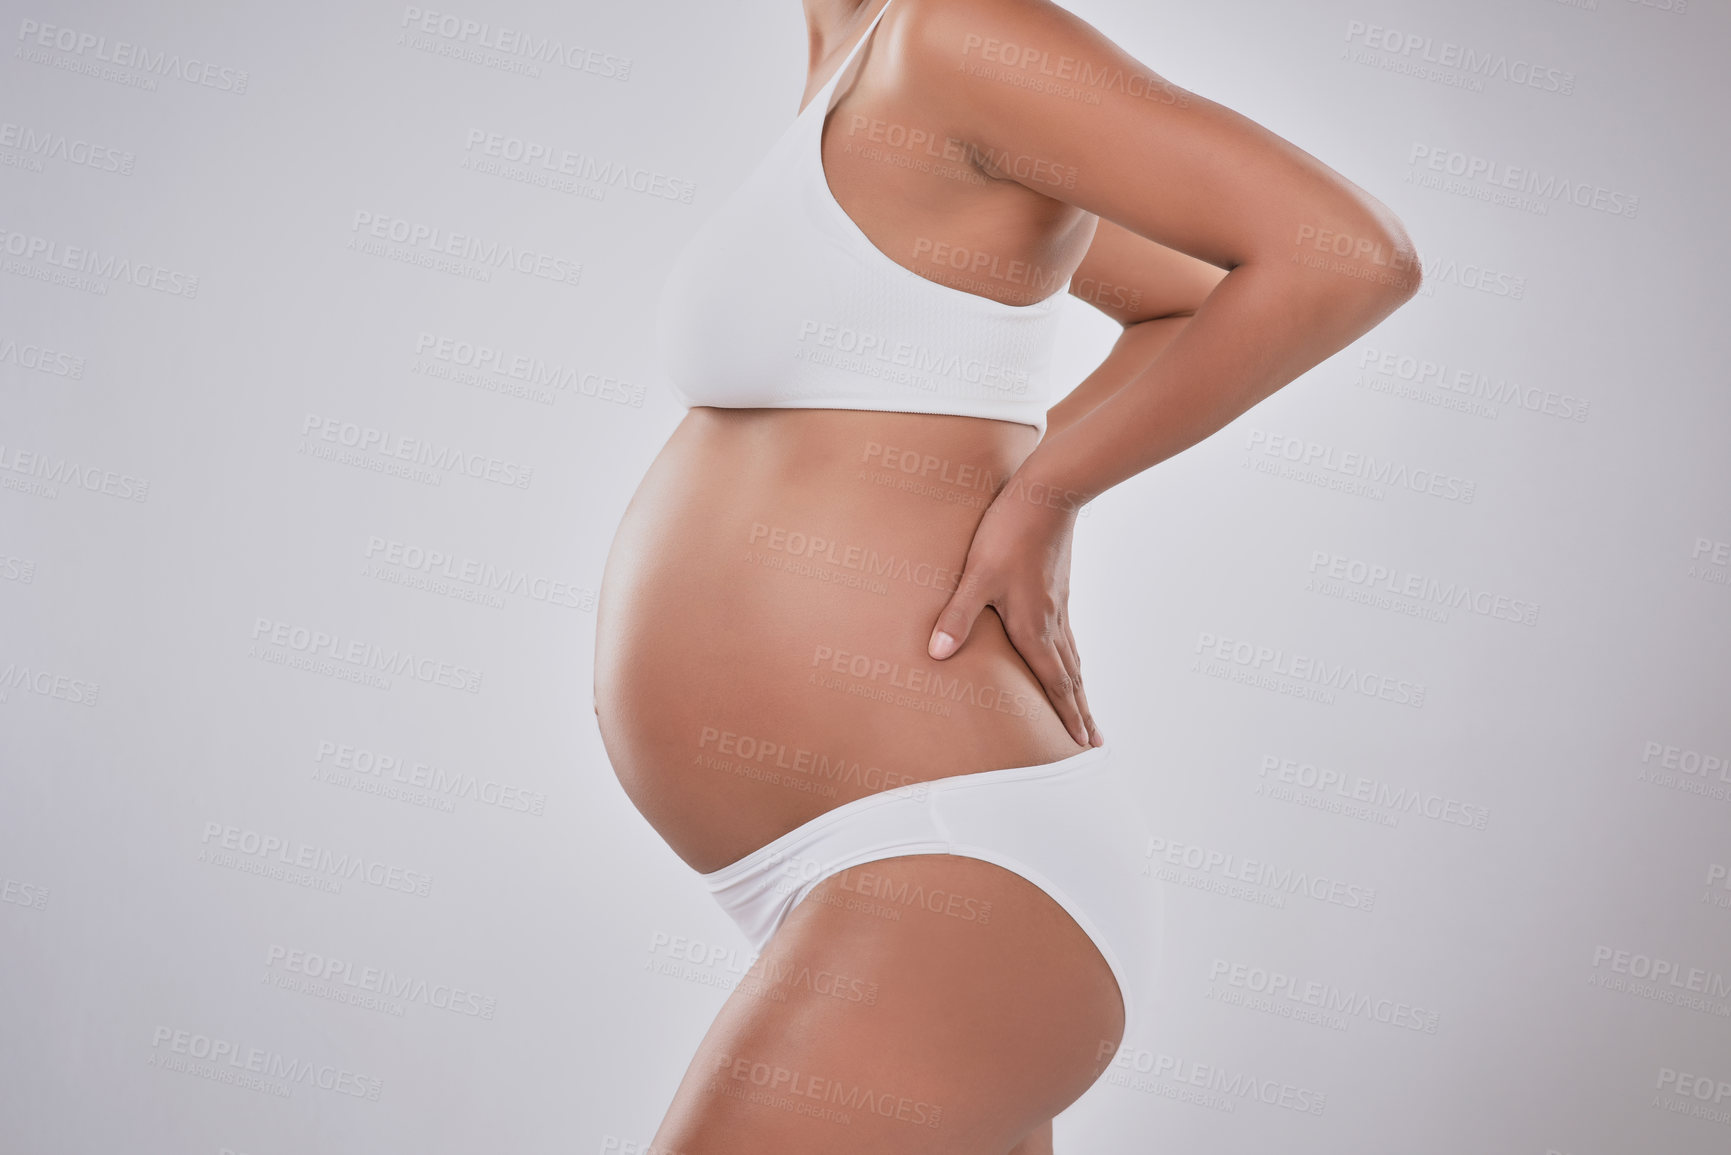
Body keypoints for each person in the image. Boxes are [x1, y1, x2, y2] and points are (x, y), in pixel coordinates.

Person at [594, 0, 1420, 1149]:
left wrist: (1044, 492)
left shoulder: (957, 31)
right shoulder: (859, 65)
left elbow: (1344, 256)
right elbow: (1180, 294)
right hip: (858, 873)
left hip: (942, 868)